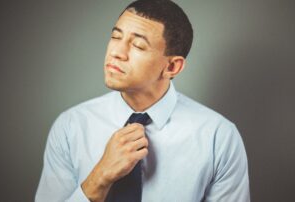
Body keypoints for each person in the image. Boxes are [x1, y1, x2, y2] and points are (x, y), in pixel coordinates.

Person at [35, 0, 250, 201]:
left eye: (137, 45)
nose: (116, 52)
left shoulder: (218, 138)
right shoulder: (71, 126)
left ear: (172, 67)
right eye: (116, 37)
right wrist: (98, 179)